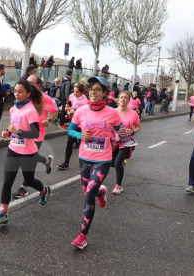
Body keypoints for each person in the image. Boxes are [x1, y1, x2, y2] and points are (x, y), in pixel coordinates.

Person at [68, 76, 124, 249]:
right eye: (90, 89)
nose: (93, 92)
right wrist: (79, 135)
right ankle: (101, 194)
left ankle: (82, 236)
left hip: (103, 160)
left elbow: (120, 132)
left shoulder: (112, 113)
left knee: (88, 194)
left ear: (105, 93)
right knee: (88, 193)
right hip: (84, 158)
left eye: (97, 89)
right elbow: (70, 130)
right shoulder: (81, 111)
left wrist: (124, 133)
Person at [0, 80, 51, 225]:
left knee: (29, 181)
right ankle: (3, 213)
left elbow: (35, 133)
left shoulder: (31, 111)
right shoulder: (13, 109)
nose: (16, 94)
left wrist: (19, 132)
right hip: (13, 149)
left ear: (28, 94)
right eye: (15, 91)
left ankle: (43, 190)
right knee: (7, 183)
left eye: (20, 91)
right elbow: (14, 128)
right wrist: (8, 132)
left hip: (28, 152)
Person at [12, 74, 58, 198]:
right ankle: (47, 160)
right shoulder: (25, 97)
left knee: (28, 161)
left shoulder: (45, 98)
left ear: (38, 85)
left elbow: (55, 111)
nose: (29, 85)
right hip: (23, 133)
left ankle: (24, 187)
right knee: (29, 157)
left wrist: (48, 119)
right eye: (28, 83)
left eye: (32, 83)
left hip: (37, 134)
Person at [111, 91, 141, 194]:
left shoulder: (133, 113)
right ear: (118, 100)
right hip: (113, 141)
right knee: (111, 163)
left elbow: (138, 127)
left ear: (129, 100)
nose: (123, 99)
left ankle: (118, 186)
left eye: (125, 97)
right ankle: (121, 162)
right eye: (121, 97)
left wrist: (132, 131)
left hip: (126, 141)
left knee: (117, 163)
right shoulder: (112, 112)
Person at [57, 83, 88, 170]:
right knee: (69, 142)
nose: (75, 94)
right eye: (74, 91)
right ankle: (66, 162)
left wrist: (74, 112)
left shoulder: (85, 101)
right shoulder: (71, 96)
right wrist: (68, 107)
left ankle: (87, 163)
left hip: (82, 125)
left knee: (85, 144)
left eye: (77, 92)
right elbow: (69, 103)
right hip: (74, 122)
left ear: (82, 92)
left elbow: (85, 114)